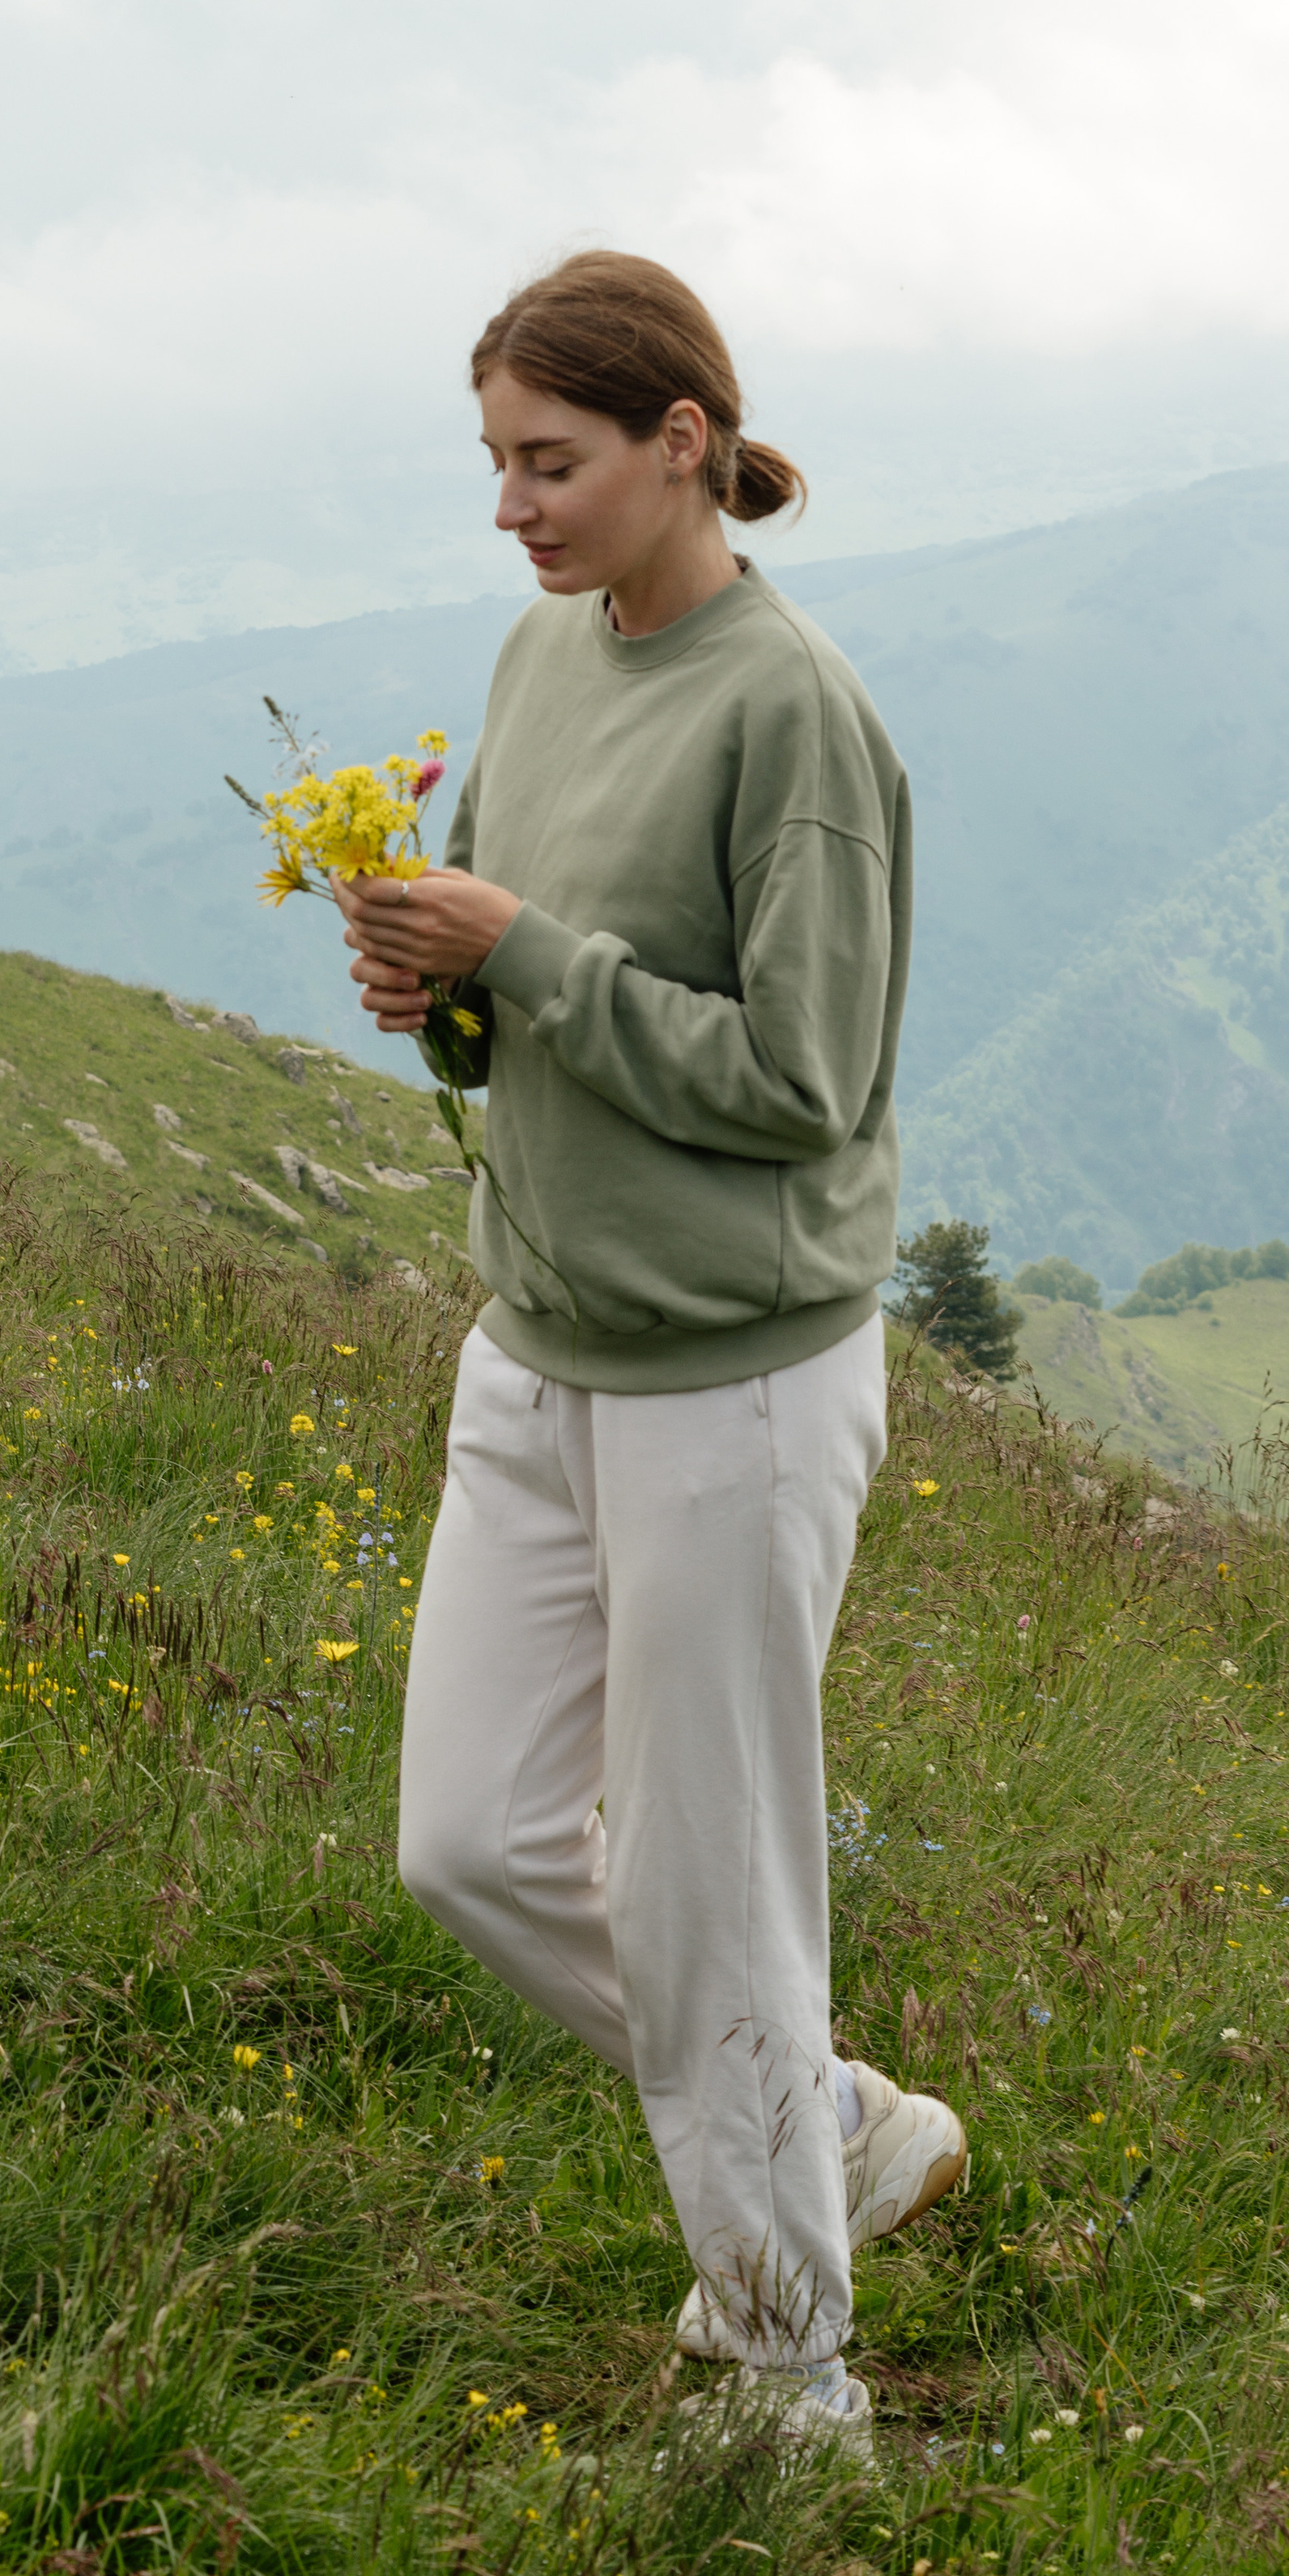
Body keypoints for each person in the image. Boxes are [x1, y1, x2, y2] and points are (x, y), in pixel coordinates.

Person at [336, 250, 964, 2462]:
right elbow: (525, 989)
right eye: (497, 461)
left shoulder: (793, 716)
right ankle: (833, 2123)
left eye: (551, 460)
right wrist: (440, 988)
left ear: (683, 441)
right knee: (471, 1844)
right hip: (538, 1346)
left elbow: (808, 1082)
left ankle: (790, 2376)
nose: (510, 506)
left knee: (710, 1891)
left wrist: (528, 959)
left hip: (735, 1381)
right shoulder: (545, 650)